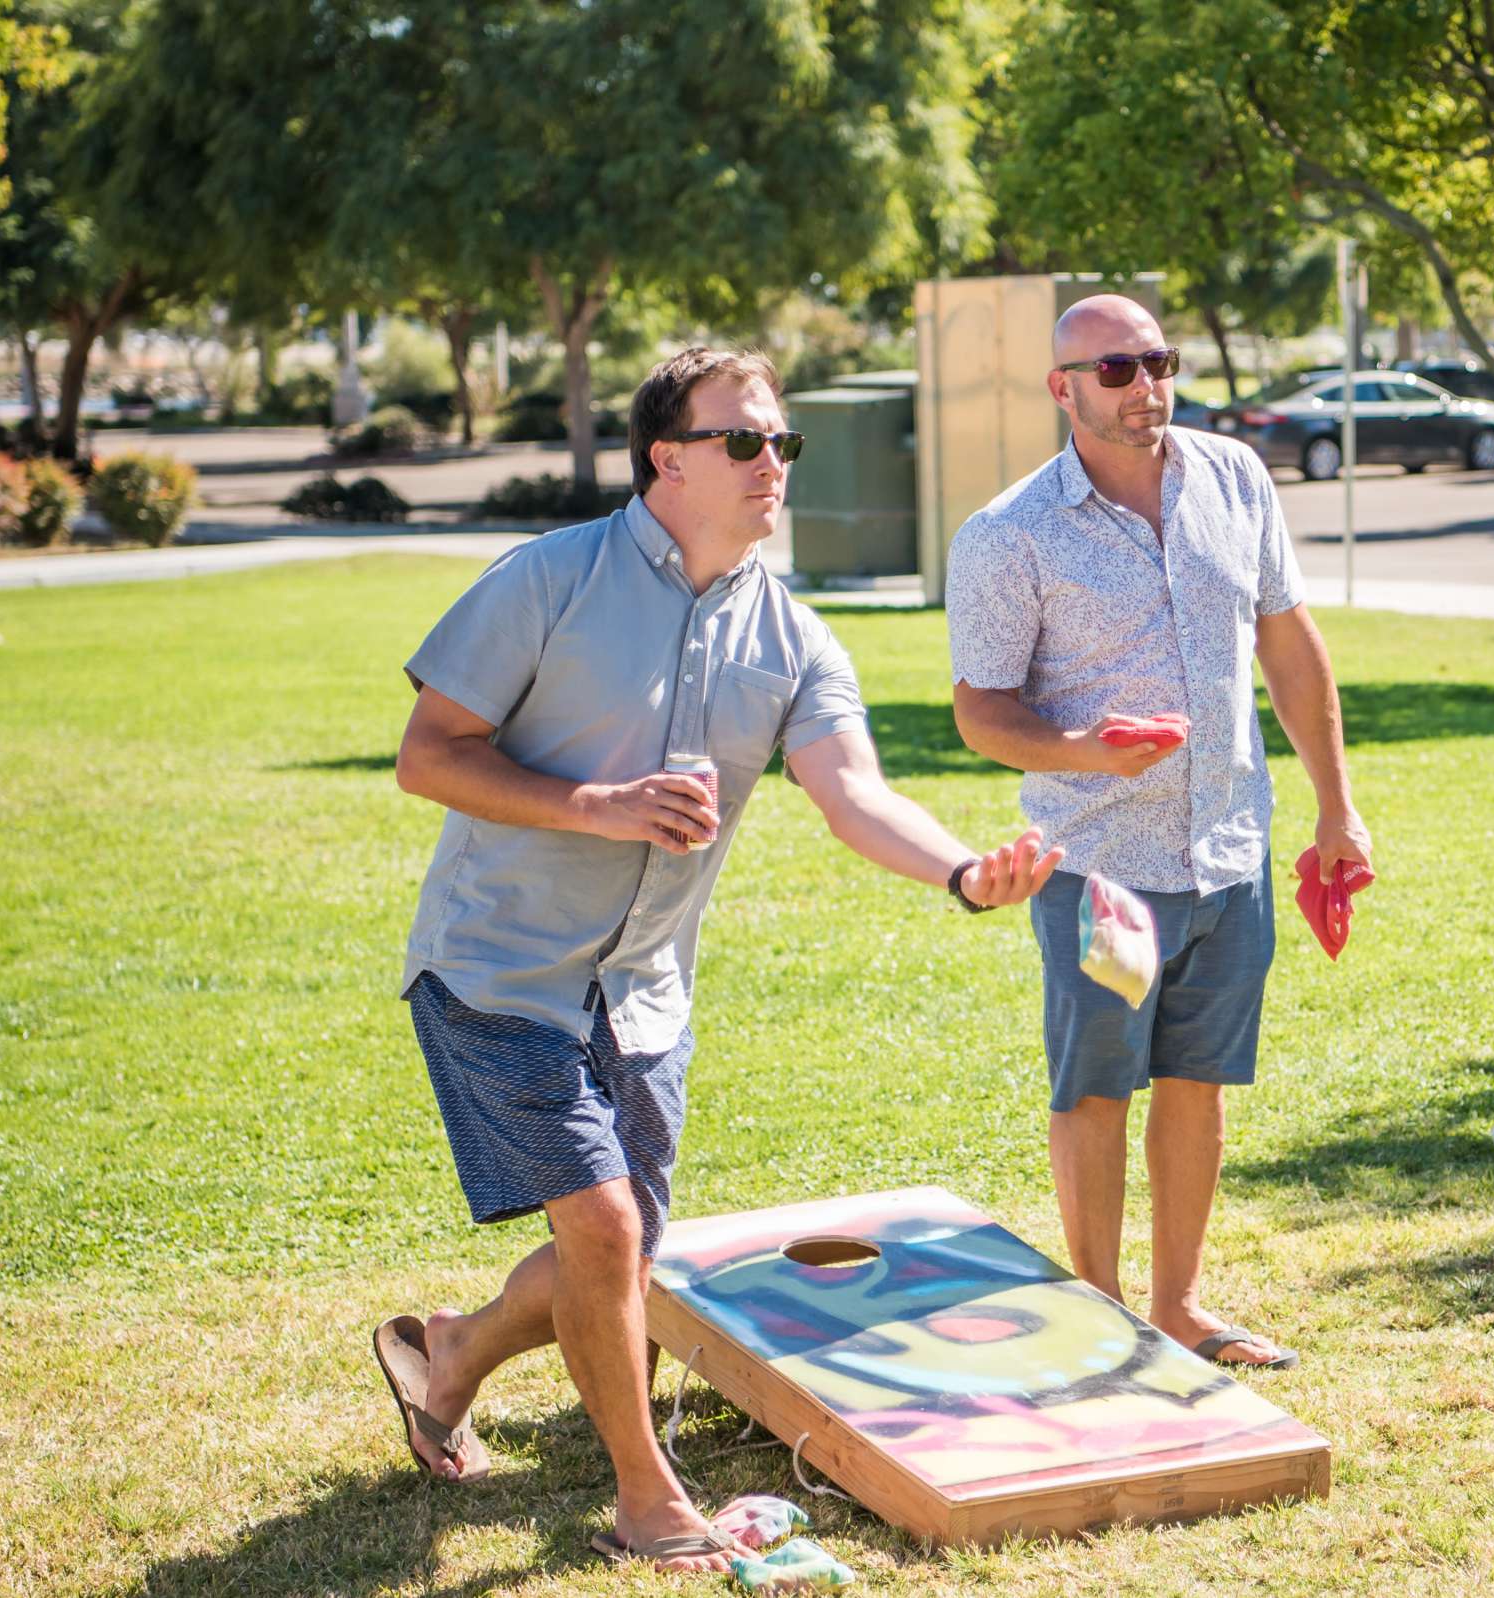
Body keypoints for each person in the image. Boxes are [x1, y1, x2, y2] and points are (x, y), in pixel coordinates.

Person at [378, 347, 1060, 1572]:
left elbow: (855, 792)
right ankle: (648, 1498)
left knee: (623, 1242)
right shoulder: (549, 577)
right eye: (743, 441)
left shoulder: (793, 635)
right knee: (600, 1229)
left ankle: (458, 1349)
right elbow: (428, 754)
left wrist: (963, 869)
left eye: (781, 445)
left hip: (643, 990)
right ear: (668, 458)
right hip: (500, 968)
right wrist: (596, 803)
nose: (771, 466)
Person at [945, 295, 1372, 1370]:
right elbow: (980, 709)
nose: (1147, 387)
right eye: (1118, 369)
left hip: (1229, 851)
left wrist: (1335, 802)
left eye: (1159, 362)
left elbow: (1287, 639)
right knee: (1096, 1084)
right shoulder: (1008, 534)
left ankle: (1178, 1306)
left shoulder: (1233, 477)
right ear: (1064, 388)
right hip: (1105, 875)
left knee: (1197, 1079)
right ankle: (1100, 1317)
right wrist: (1091, 751)